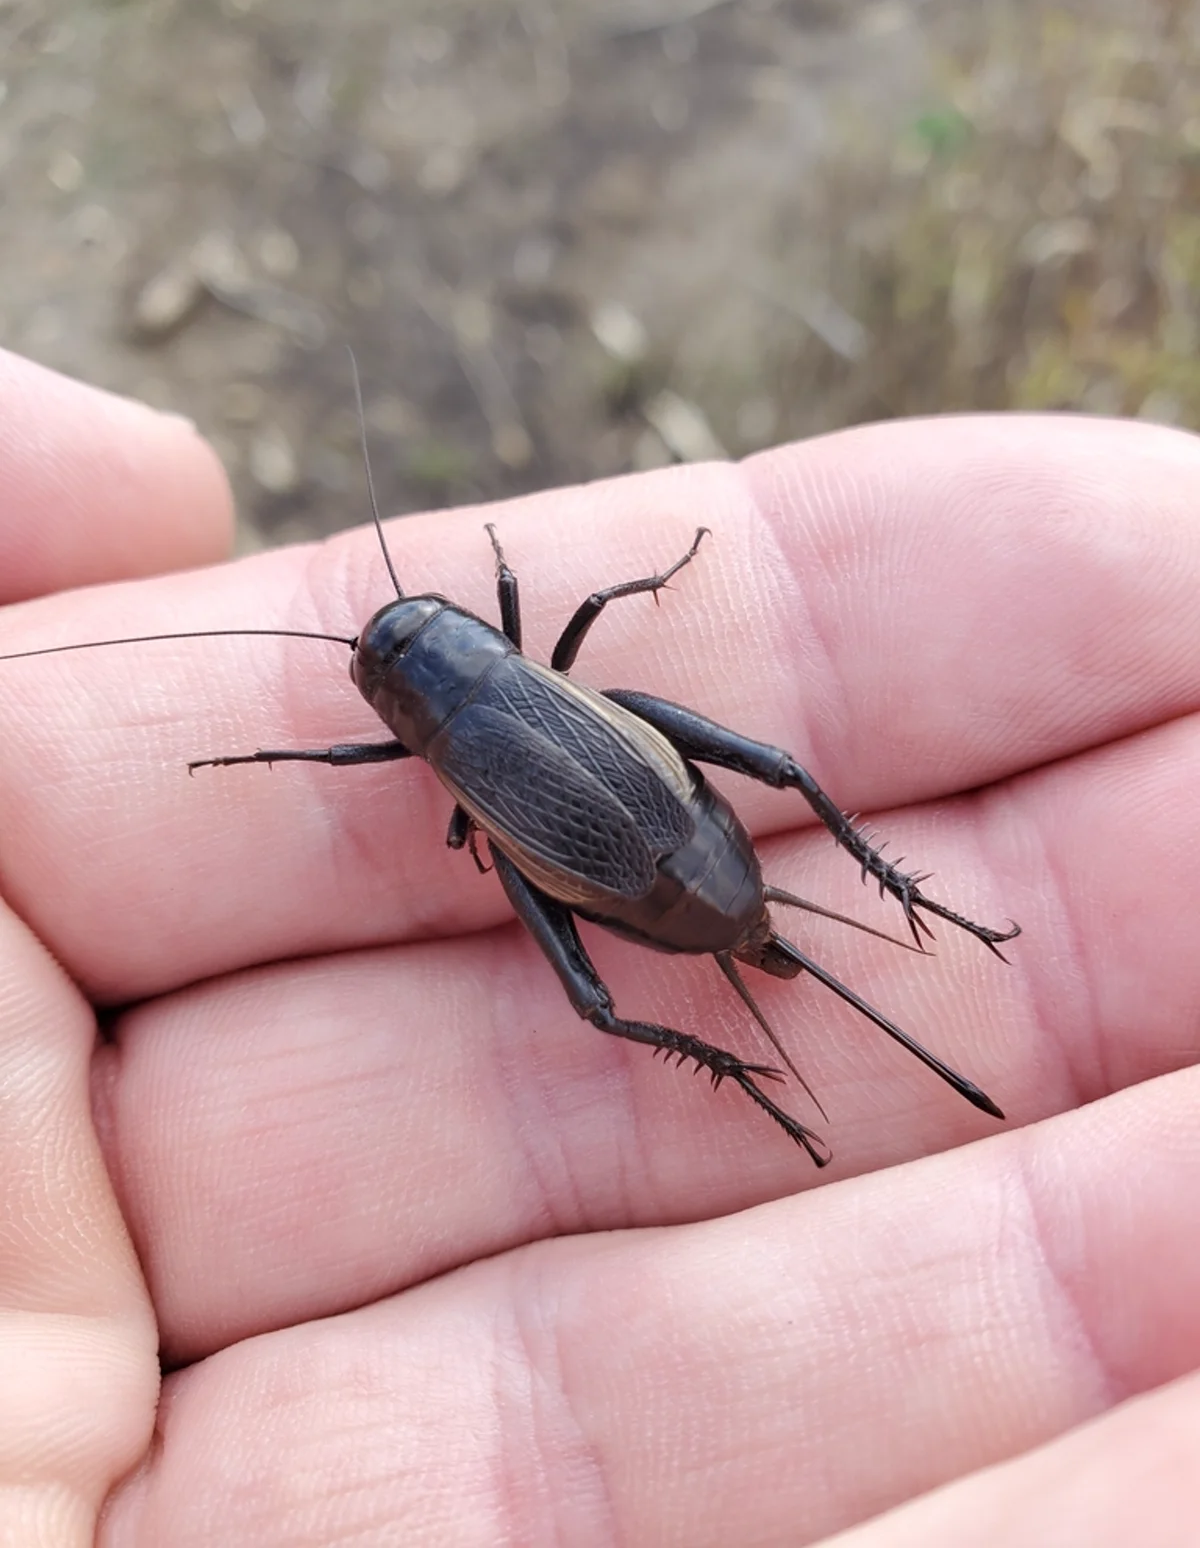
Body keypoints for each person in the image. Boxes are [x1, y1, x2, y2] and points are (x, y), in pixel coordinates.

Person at [1, 345, 1197, 1546]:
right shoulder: (525, 646)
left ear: (401, 722)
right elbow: (581, 605)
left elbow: (372, 753)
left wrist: (330, 769)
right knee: (769, 783)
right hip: (645, 827)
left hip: (647, 848)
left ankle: (801, 1010)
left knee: (682, 890)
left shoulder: (435, 753)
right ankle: (877, 934)